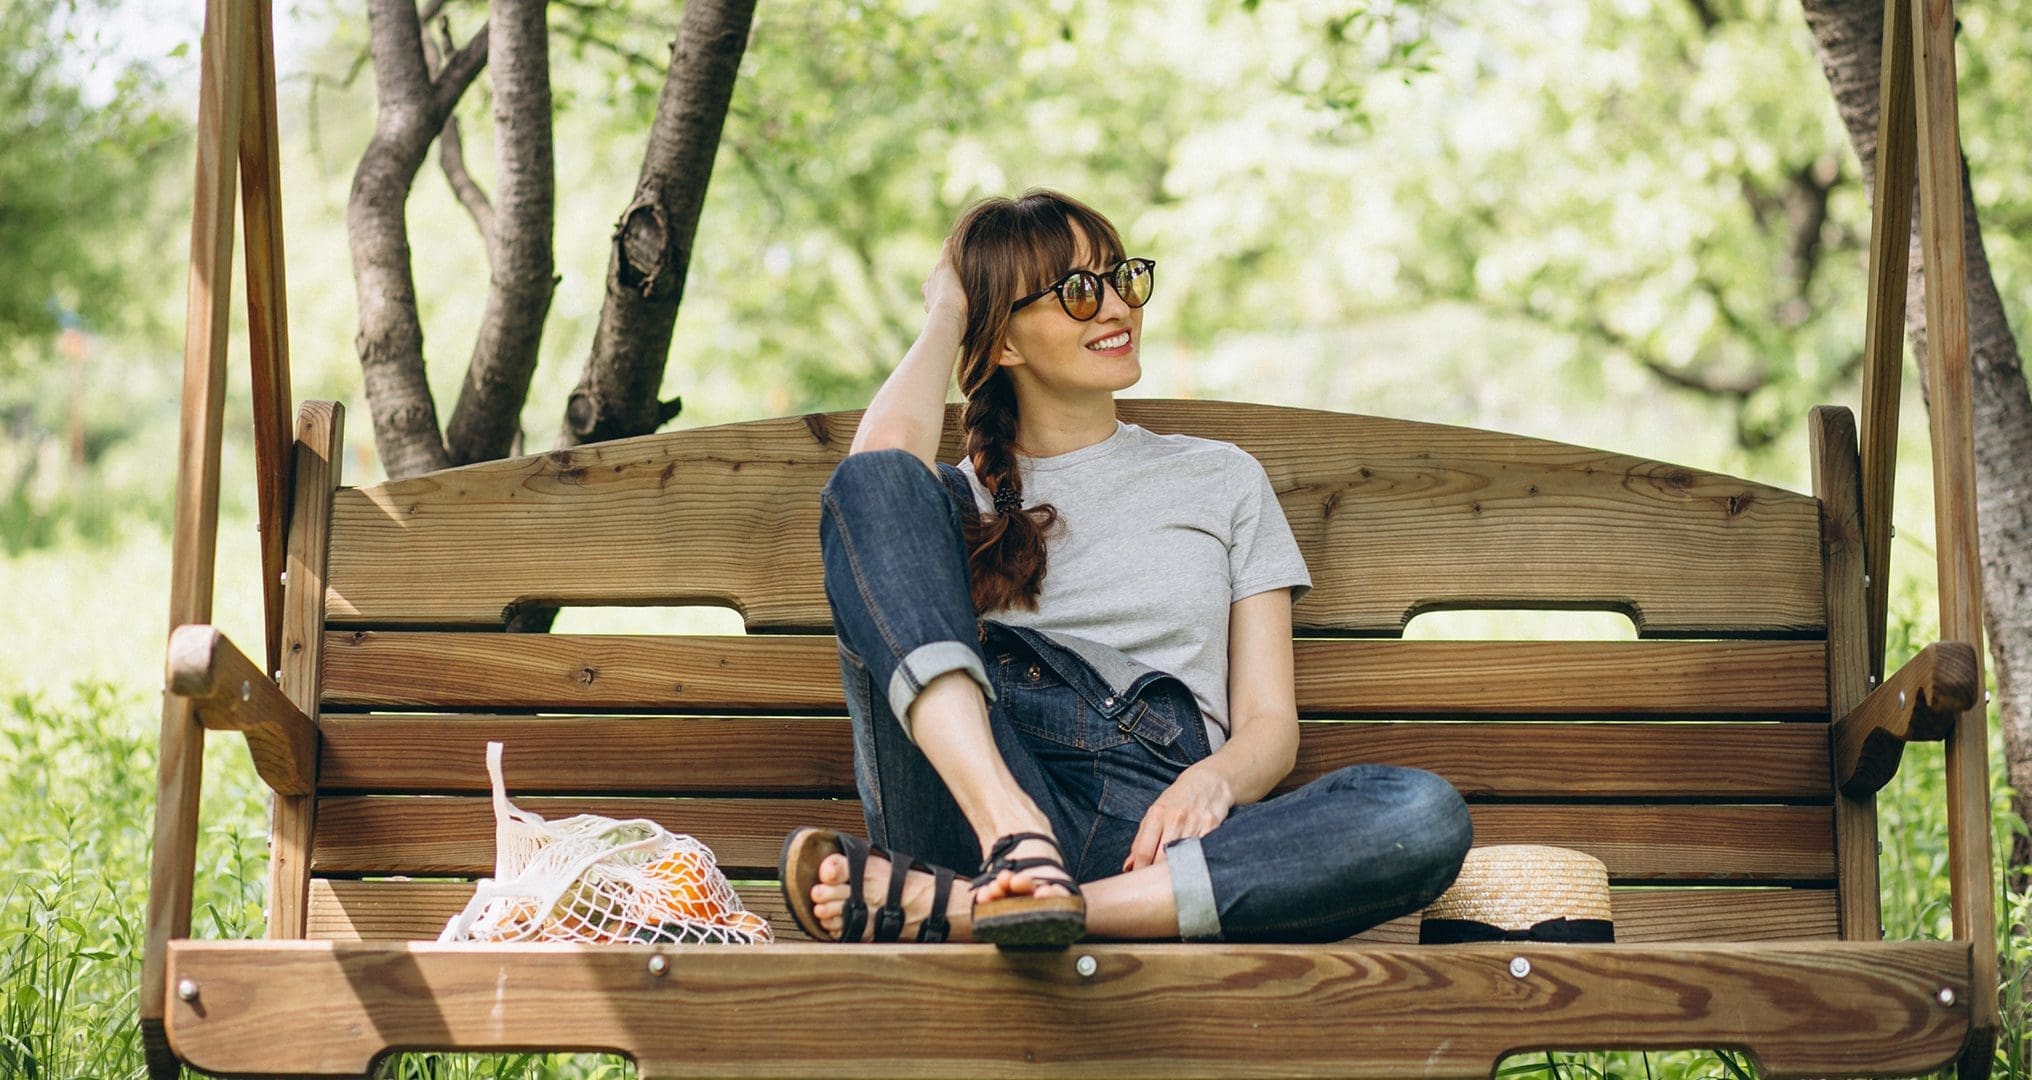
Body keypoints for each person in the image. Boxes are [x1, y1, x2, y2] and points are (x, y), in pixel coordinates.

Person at [780, 189, 1471, 948]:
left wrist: (1212, 780)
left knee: (1421, 815)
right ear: (1004, 342)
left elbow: (1269, 724)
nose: (1116, 307)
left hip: (1157, 838)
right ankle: (1017, 842)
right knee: (875, 481)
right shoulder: (949, 502)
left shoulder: (1222, 478)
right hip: (975, 811)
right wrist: (949, 310)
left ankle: (986, 909)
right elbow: (872, 477)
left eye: (1122, 279)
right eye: (1078, 292)